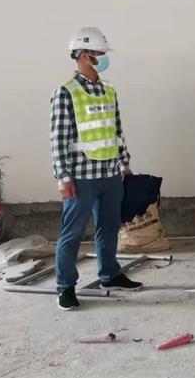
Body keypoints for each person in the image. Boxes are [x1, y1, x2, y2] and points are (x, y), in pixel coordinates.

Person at [50, 27, 142, 311]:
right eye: (98, 53)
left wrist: (124, 164)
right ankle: (65, 287)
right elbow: (58, 139)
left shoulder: (109, 90)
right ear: (82, 55)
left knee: (109, 228)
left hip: (110, 174)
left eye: (103, 53)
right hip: (81, 177)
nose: (103, 58)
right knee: (72, 233)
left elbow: (117, 131)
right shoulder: (66, 92)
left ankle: (110, 275)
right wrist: (63, 177)